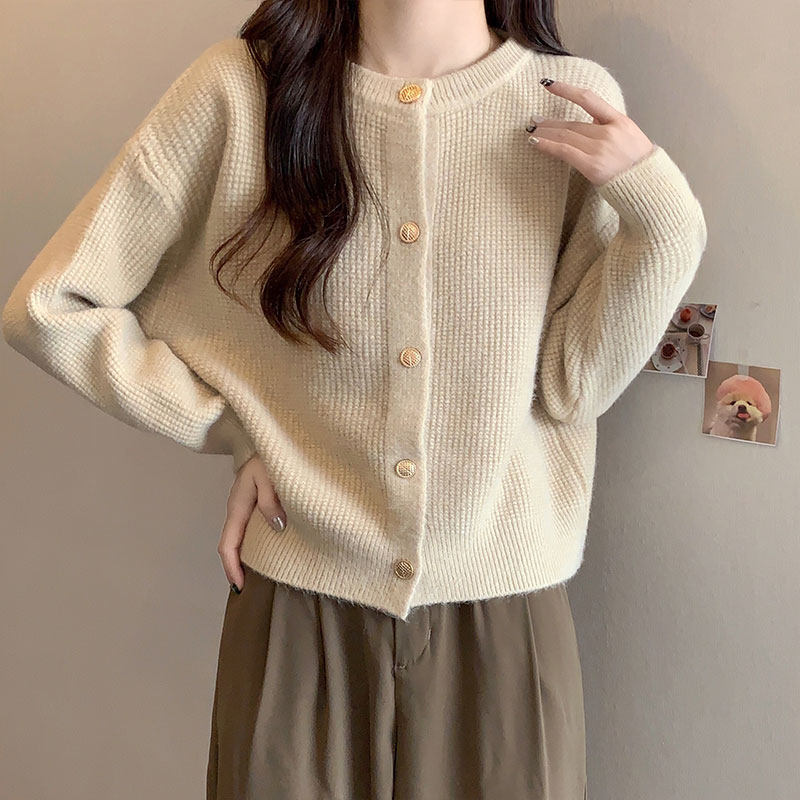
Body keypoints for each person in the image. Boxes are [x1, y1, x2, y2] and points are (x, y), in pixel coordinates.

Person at [1, 0, 707, 798]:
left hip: (502, 620)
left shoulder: (567, 99)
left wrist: (666, 221)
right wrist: (227, 428)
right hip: (297, 611)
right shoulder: (242, 91)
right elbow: (51, 307)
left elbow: (572, 386)